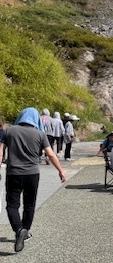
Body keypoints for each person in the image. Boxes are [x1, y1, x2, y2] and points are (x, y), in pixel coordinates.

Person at [0, 107, 66, 252]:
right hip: (32, 174)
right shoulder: (40, 134)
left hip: (13, 173)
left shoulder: (9, 131)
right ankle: (25, 230)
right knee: (29, 204)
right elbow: (51, 154)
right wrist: (60, 171)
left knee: (12, 205)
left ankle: (19, 230)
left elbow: (0, 151)